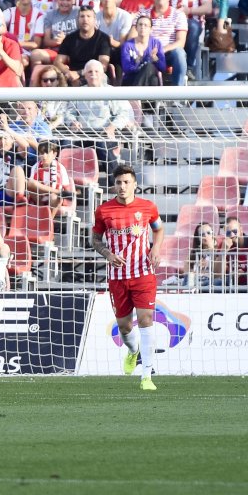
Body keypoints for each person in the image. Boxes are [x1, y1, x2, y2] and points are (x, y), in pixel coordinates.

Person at [90, 164, 163, 391]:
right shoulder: (104, 210)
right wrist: (108, 254)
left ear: (134, 184)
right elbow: (95, 240)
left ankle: (147, 376)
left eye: (126, 182)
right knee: (124, 326)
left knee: (146, 320)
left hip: (143, 273)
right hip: (118, 277)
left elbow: (158, 229)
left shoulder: (148, 207)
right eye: (119, 182)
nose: (122, 186)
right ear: (114, 184)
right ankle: (133, 351)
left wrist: (156, 249)